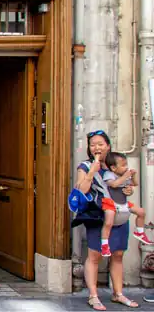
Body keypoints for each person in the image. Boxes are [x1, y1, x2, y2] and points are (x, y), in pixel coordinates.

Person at [73, 130, 138, 310]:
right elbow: (82, 190)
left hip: (119, 214)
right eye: (93, 144)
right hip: (98, 216)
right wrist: (92, 172)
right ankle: (93, 296)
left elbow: (126, 185)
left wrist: (128, 190)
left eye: (100, 144)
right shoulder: (85, 166)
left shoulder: (114, 165)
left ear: (108, 146)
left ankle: (118, 294)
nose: (97, 148)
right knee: (95, 255)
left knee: (118, 254)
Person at [99, 151, 152, 256]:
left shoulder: (124, 175)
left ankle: (140, 232)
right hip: (110, 202)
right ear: (113, 168)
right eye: (123, 165)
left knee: (141, 212)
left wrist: (133, 176)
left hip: (123, 203)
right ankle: (104, 245)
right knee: (108, 222)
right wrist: (125, 176)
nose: (126, 167)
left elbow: (135, 183)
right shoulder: (109, 174)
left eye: (126, 164)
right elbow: (114, 184)